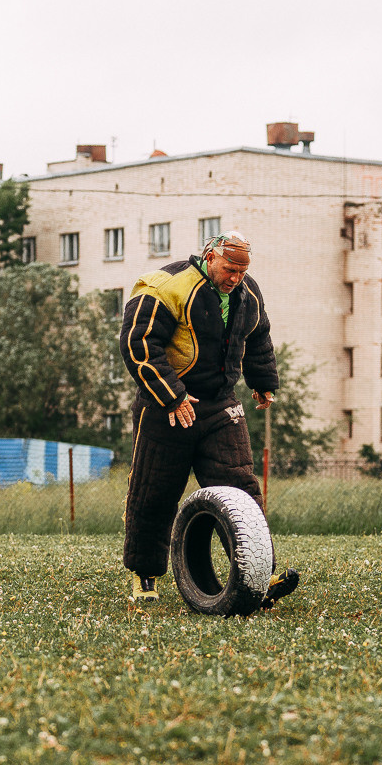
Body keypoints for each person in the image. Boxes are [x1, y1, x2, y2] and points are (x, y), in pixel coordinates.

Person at [119, 231, 298, 607]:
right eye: (230, 269)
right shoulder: (165, 286)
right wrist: (173, 397)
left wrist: (263, 381)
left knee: (242, 491)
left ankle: (260, 575)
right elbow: (138, 344)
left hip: (219, 405)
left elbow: (258, 334)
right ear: (210, 257)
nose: (236, 277)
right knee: (154, 493)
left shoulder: (248, 292)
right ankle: (144, 576)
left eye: (242, 271)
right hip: (166, 406)